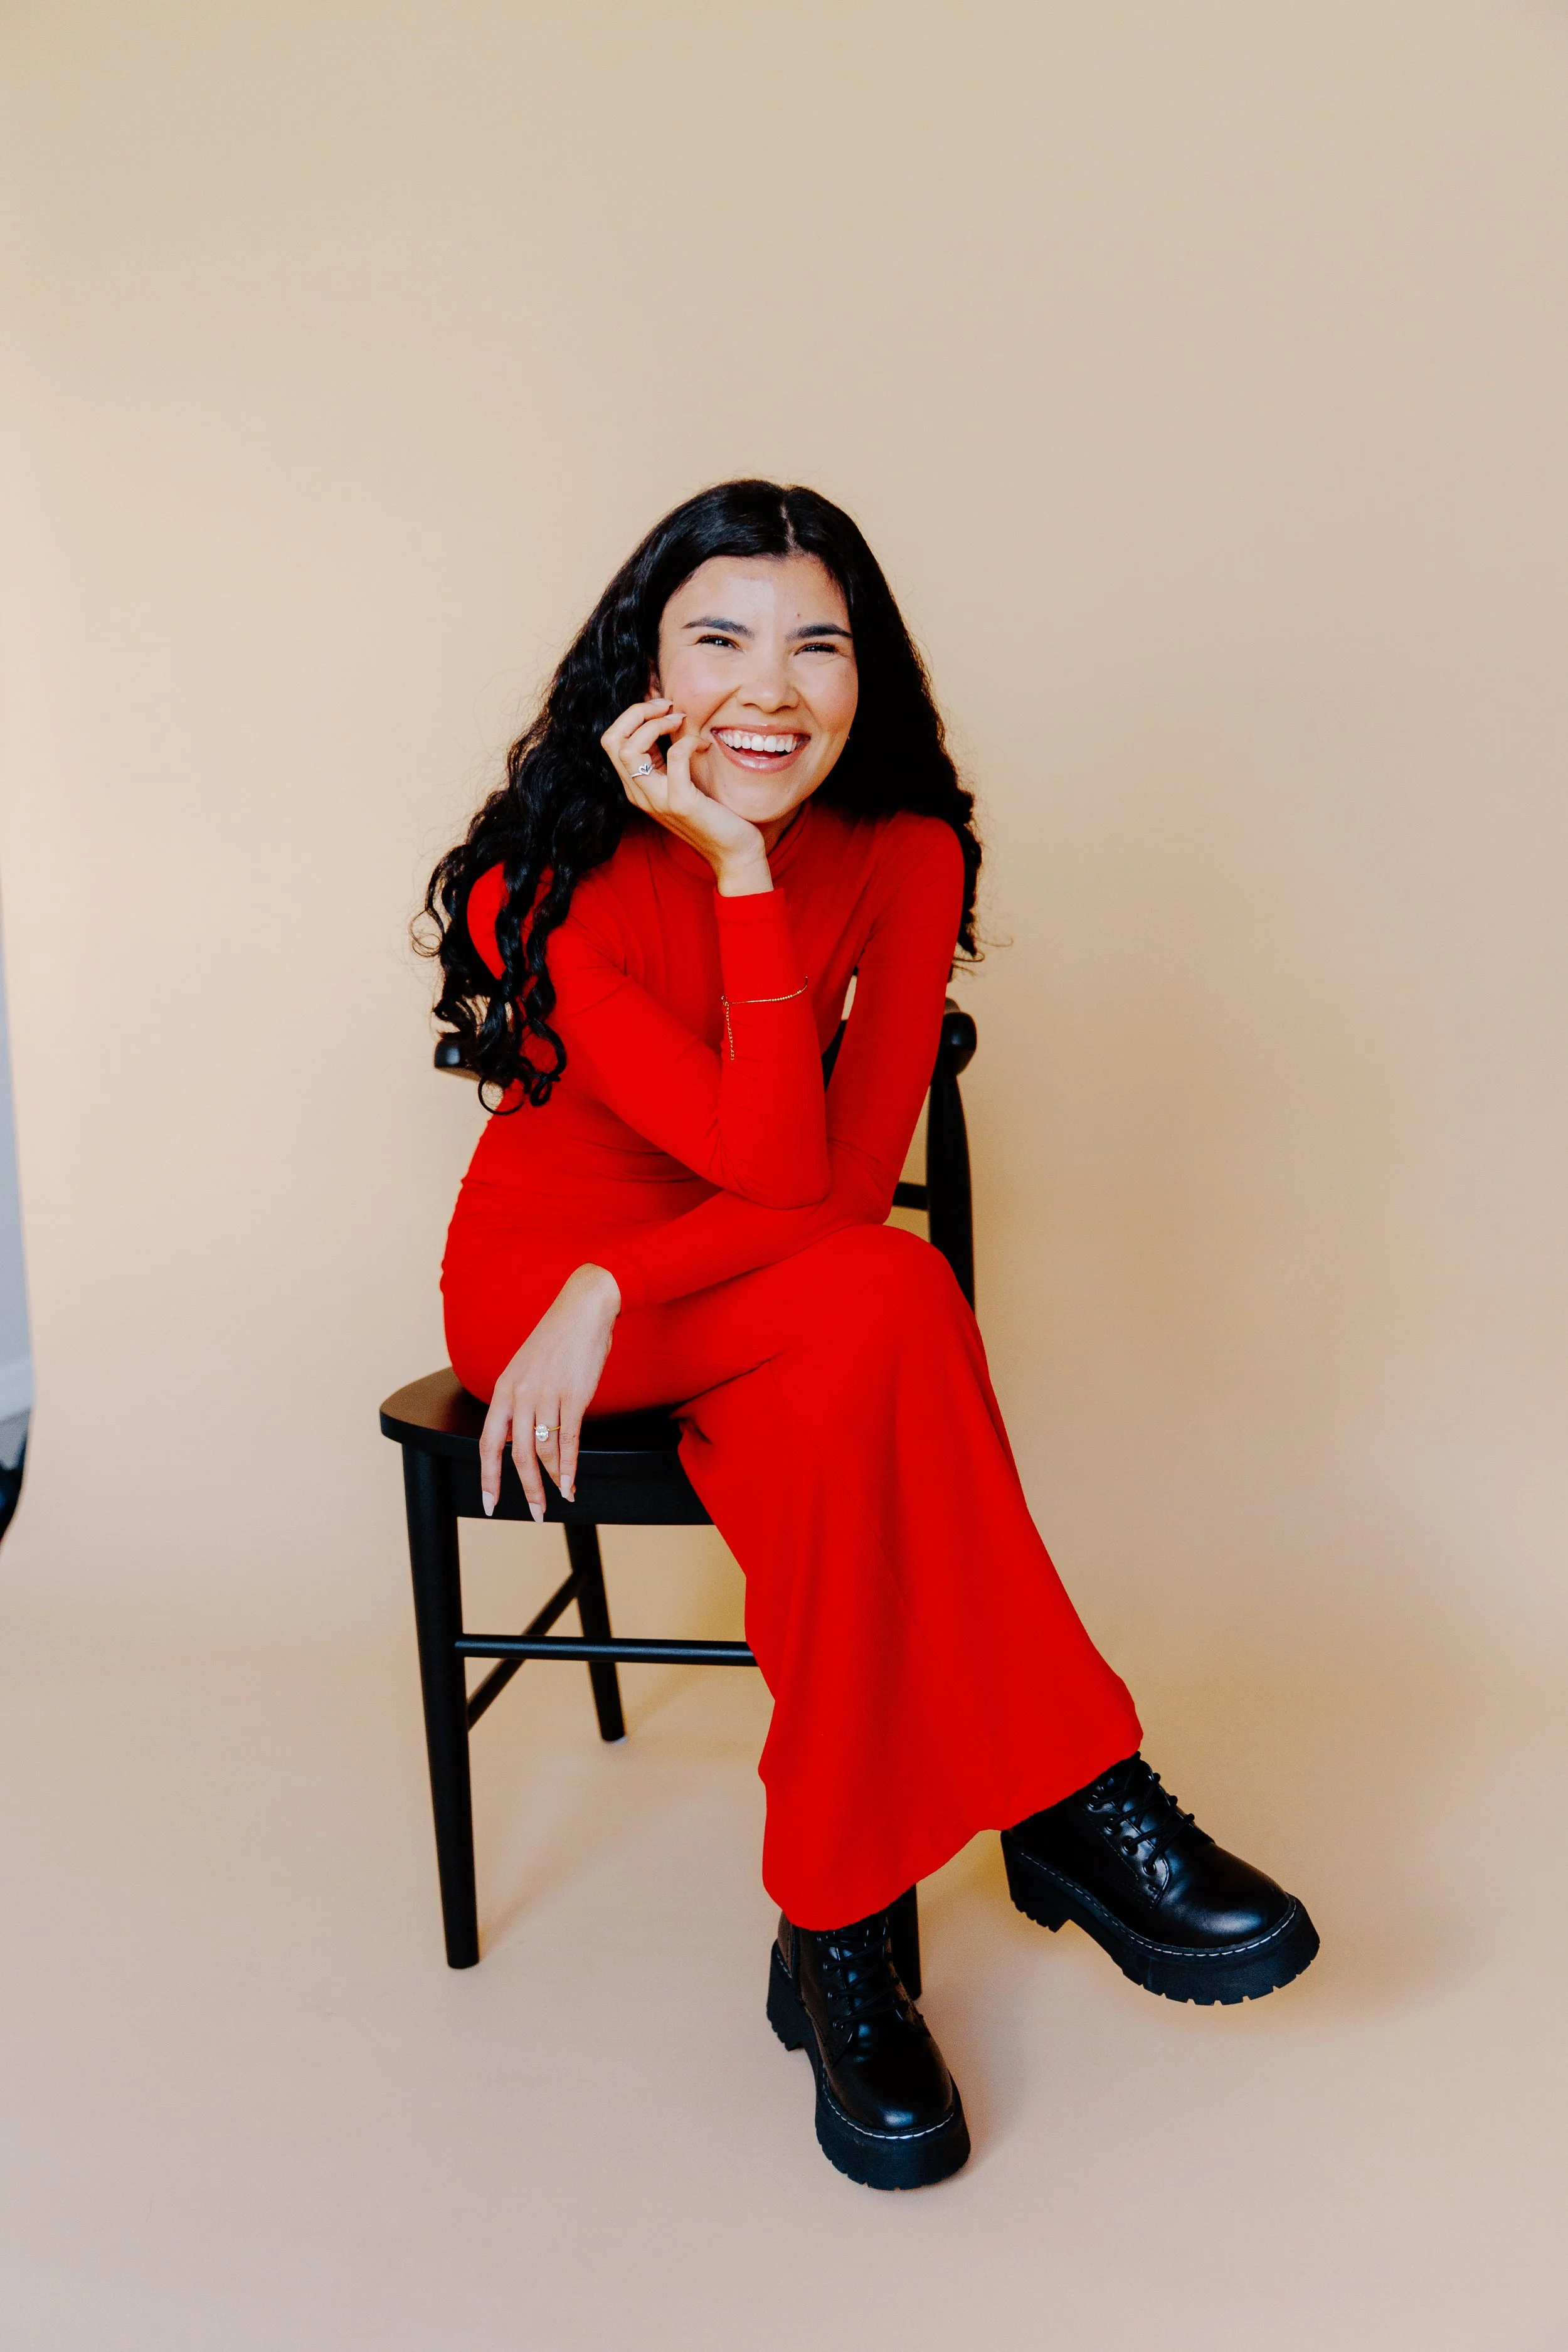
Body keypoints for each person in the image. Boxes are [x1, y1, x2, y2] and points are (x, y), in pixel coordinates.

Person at [423, 480, 1318, 2191]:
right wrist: (732, 877)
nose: (770, 687)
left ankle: (835, 1919)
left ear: (865, 671)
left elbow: (833, 1188)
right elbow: (781, 1168)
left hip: (764, 1285)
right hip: (541, 1306)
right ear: (644, 673)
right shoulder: (532, 880)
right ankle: (1069, 1793)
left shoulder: (906, 853)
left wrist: (751, 870)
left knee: (876, 1314)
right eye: (720, 640)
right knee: (885, 1295)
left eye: (814, 644)